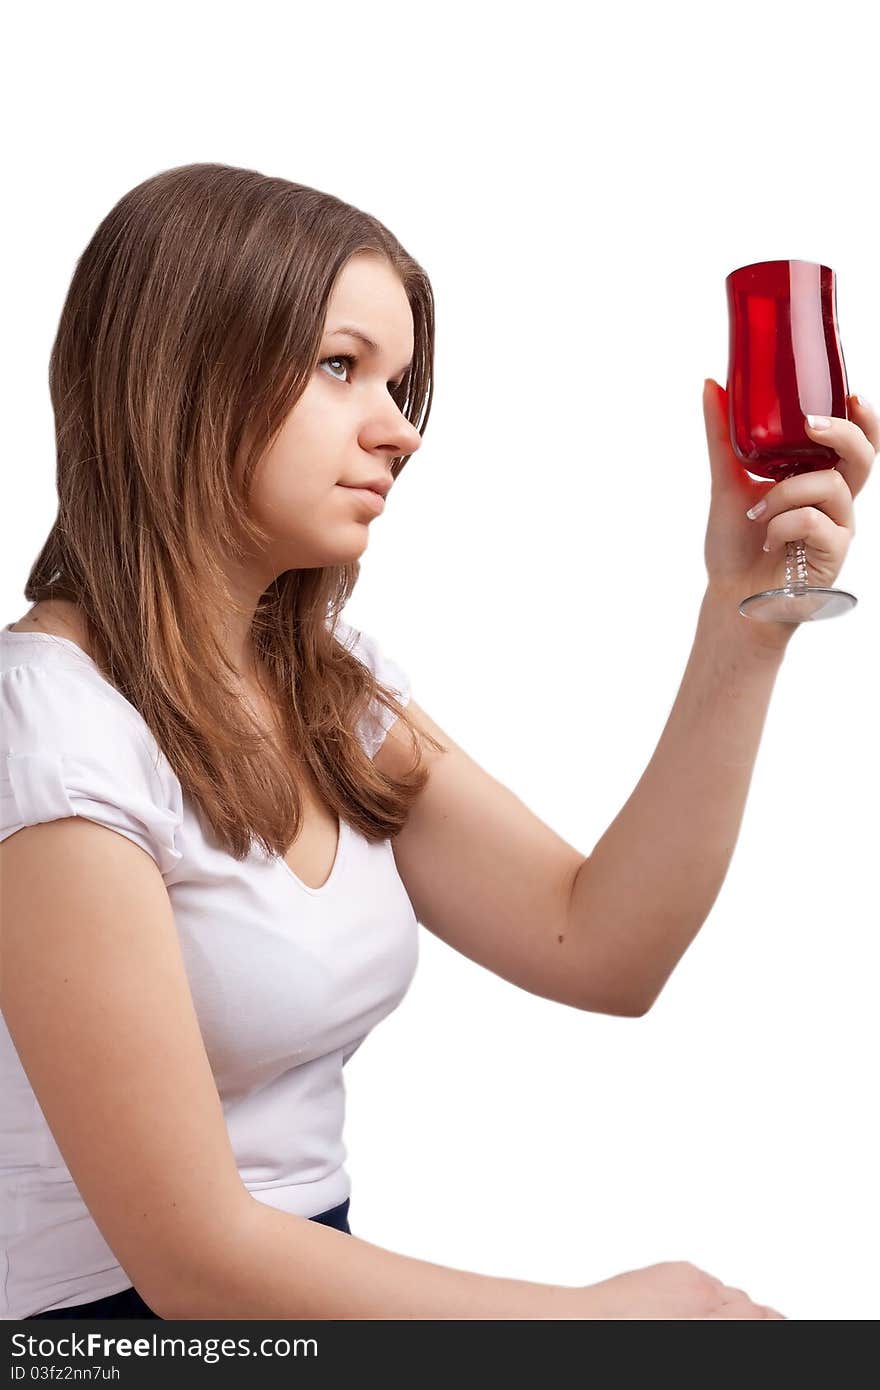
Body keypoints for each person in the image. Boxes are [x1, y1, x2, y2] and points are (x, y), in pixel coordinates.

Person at [1, 164, 876, 1323]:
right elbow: (194, 1262)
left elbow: (601, 943)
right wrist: (599, 1323)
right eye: (339, 366)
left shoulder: (324, 690)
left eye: (402, 383)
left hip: (310, 1289)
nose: (399, 429)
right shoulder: (50, 730)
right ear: (180, 370)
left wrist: (742, 617)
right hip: (109, 1335)